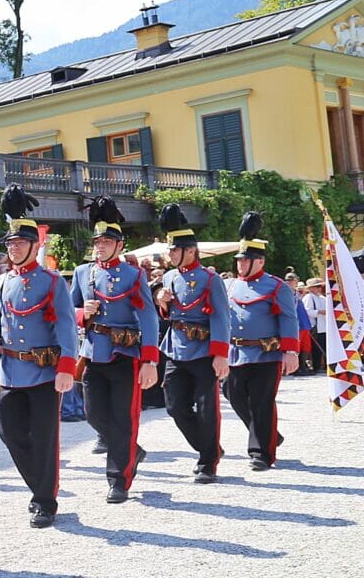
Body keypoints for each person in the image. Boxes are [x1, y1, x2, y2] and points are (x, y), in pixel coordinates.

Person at [0, 187, 77, 528]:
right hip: (10, 371)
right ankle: (40, 485)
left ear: (35, 245)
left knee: (45, 437)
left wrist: (67, 368)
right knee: (9, 432)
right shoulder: (3, 281)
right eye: (10, 244)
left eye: (20, 243)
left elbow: (66, 327)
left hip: (44, 371)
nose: (13, 248)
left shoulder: (51, 282)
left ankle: (44, 502)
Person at [69, 197, 160, 504]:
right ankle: (131, 450)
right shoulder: (82, 273)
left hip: (126, 354)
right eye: (98, 241)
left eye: (107, 241)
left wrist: (150, 359)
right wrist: (85, 312)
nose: (101, 246)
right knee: (93, 414)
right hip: (94, 351)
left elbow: (148, 316)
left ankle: (118, 480)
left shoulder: (134, 275)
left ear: (120, 245)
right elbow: (68, 310)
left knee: (123, 418)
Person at [156, 205, 232, 483]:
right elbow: (169, 314)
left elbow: (222, 318)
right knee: (175, 406)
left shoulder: (210, 279)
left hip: (203, 350)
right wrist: (162, 303)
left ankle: (207, 462)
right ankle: (208, 447)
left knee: (207, 408)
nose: (171, 255)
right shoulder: (168, 277)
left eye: (175, 250)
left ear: (190, 250)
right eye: (170, 250)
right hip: (176, 348)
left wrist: (221, 355)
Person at [224, 212, 300, 468]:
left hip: (267, 353)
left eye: (245, 260)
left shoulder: (276, 286)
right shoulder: (230, 286)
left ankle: (261, 453)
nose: (240, 264)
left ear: (260, 261)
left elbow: (289, 319)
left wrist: (291, 351)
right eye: (239, 260)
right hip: (237, 352)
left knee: (261, 401)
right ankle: (269, 435)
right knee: (233, 396)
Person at [302, 278, 330, 375]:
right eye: (317, 286)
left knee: (324, 346)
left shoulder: (322, 298)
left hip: (323, 326)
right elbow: (306, 311)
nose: (319, 288)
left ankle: (325, 365)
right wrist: (319, 312)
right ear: (311, 288)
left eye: (320, 286)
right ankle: (316, 366)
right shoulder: (308, 298)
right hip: (315, 326)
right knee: (316, 349)